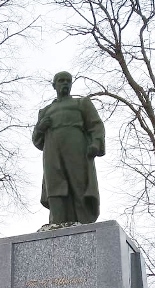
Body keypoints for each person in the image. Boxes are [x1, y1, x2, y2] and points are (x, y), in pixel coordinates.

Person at [33, 71, 105, 227]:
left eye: (68, 81)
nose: (64, 83)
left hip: (76, 148)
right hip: (52, 152)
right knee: (55, 186)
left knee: (79, 184)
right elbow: (37, 141)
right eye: (61, 81)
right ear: (54, 85)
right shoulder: (45, 111)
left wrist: (96, 143)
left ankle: (83, 223)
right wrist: (40, 127)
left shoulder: (81, 103)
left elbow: (96, 125)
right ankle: (57, 222)